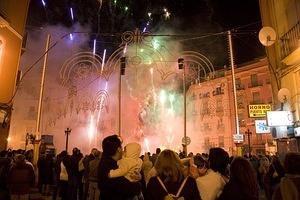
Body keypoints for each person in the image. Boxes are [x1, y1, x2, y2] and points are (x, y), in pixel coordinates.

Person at [97, 135, 142, 200]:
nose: (123, 151)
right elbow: (126, 188)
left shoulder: (107, 163)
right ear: (118, 149)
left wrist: (139, 177)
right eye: (122, 148)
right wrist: (138, 185)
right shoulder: (111, 167)